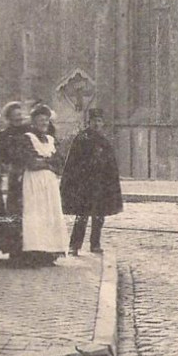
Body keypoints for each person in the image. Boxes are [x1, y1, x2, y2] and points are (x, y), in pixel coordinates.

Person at [61, 109, 123, 255]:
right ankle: (74, 245)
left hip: (100, 185)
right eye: (94, 121)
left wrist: (110, 183)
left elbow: (111, 165)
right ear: (89, 122)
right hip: (84, 184)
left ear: (103, 123)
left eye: (99, 121)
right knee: (82, 215)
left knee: (99, 215)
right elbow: (73, 162)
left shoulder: (104, 141)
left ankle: (95, 244)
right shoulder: (81, 138)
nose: (97, 124)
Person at [17, 103, 68, 266]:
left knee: (50, 214)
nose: (44, 123)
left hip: (50, 183)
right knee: (35, 214)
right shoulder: (27, 138)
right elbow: (30, 162)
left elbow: (60, 162)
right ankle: (35, 252)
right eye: (40, 120)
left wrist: (46, 162)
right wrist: (48, 163)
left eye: (46, 120)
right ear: (33, 122)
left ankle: (49, 252)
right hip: (33, 182)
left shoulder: (52, 140)